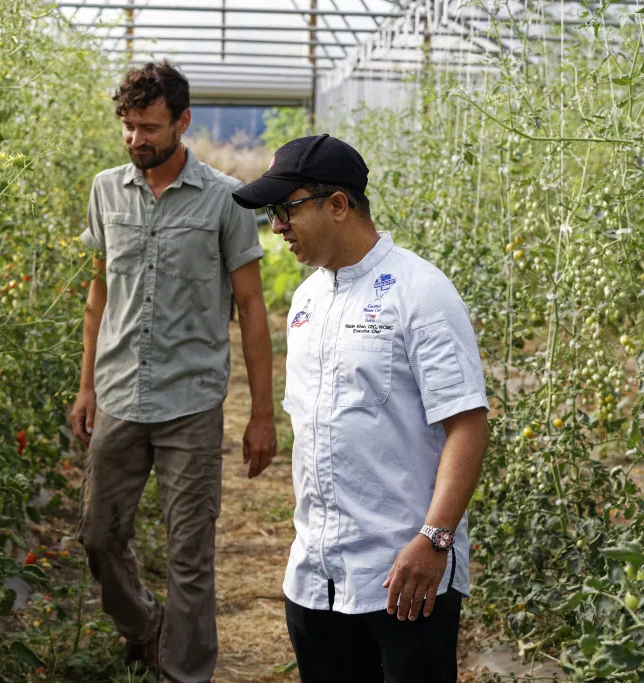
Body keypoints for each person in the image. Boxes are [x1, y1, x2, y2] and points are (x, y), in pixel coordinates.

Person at [231, 134, 490, 683]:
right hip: (315, 575)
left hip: (404, 576)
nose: (275, 226)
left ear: (338, 205)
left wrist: (435, 539)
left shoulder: (420, 294)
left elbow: (467, 423)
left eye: (285, 209)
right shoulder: (306, 302)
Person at [71, 61, 277, 683]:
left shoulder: (225, 200)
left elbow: (251, 309)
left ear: (182, 123)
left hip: (190, 402)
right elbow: (97, 297)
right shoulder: (107, 190)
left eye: (150, 127)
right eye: (129, 127)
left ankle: (183, 673)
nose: (137, 139)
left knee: (190, 555)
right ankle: (143, 626)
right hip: (118, 397)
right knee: (98, 536)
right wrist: (86, 387)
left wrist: (262, 415)